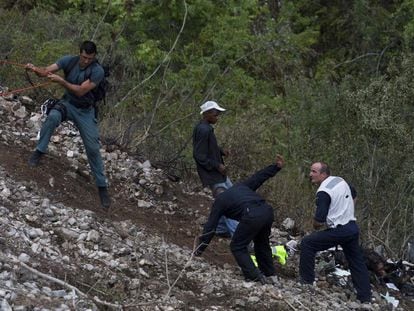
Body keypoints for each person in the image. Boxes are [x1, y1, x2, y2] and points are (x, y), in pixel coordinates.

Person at [25, 40, 110, 209]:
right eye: (84, 57)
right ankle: (39, 151)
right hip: (68, 104)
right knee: (52, 117)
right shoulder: (68, 60)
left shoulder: (97, 71)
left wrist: (61, 81)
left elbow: (80, 90)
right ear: (80, 53)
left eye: (90, 58)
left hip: (85, 111)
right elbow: (46, 72)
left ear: (94, 57)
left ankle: (102, 187)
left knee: (92, 148)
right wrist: (34, 69)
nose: (86, 61)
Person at [194, 155, 285, 284]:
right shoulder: (239, 187)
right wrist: (275, 167)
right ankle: (270, 274)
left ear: (215, 195)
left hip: (252, 215)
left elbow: (211, 226)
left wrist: (200, 248)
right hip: (267, 211)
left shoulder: (220, 201)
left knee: (237, 246)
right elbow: (258, 178)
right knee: (262, 244)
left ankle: (255, 276)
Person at [299, 162, 371, 303]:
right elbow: (354, 194)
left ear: (323, 174)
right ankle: (365, 297)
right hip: (352, 227)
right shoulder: (339, 180)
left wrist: (315, 226)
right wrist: (346, 211)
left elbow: (319, 221)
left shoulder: (323, 192)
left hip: (339, 230)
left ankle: (306, 282)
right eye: (310, 171)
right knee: (356, 262)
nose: (310, 175)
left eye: (314, 172)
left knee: (308, 243)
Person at [192, 100, 238, 237]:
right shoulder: (203, 130)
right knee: (228, 202)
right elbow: (199, 155)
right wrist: (217, 165)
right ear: (206, 114)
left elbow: (209, 148)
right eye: (215, 114)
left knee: (232, 197)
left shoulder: (205, 128)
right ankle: (237, 234)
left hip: (217, 174)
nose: (217, 116)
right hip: (213, 174)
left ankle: (220, 228)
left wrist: (221, 152)